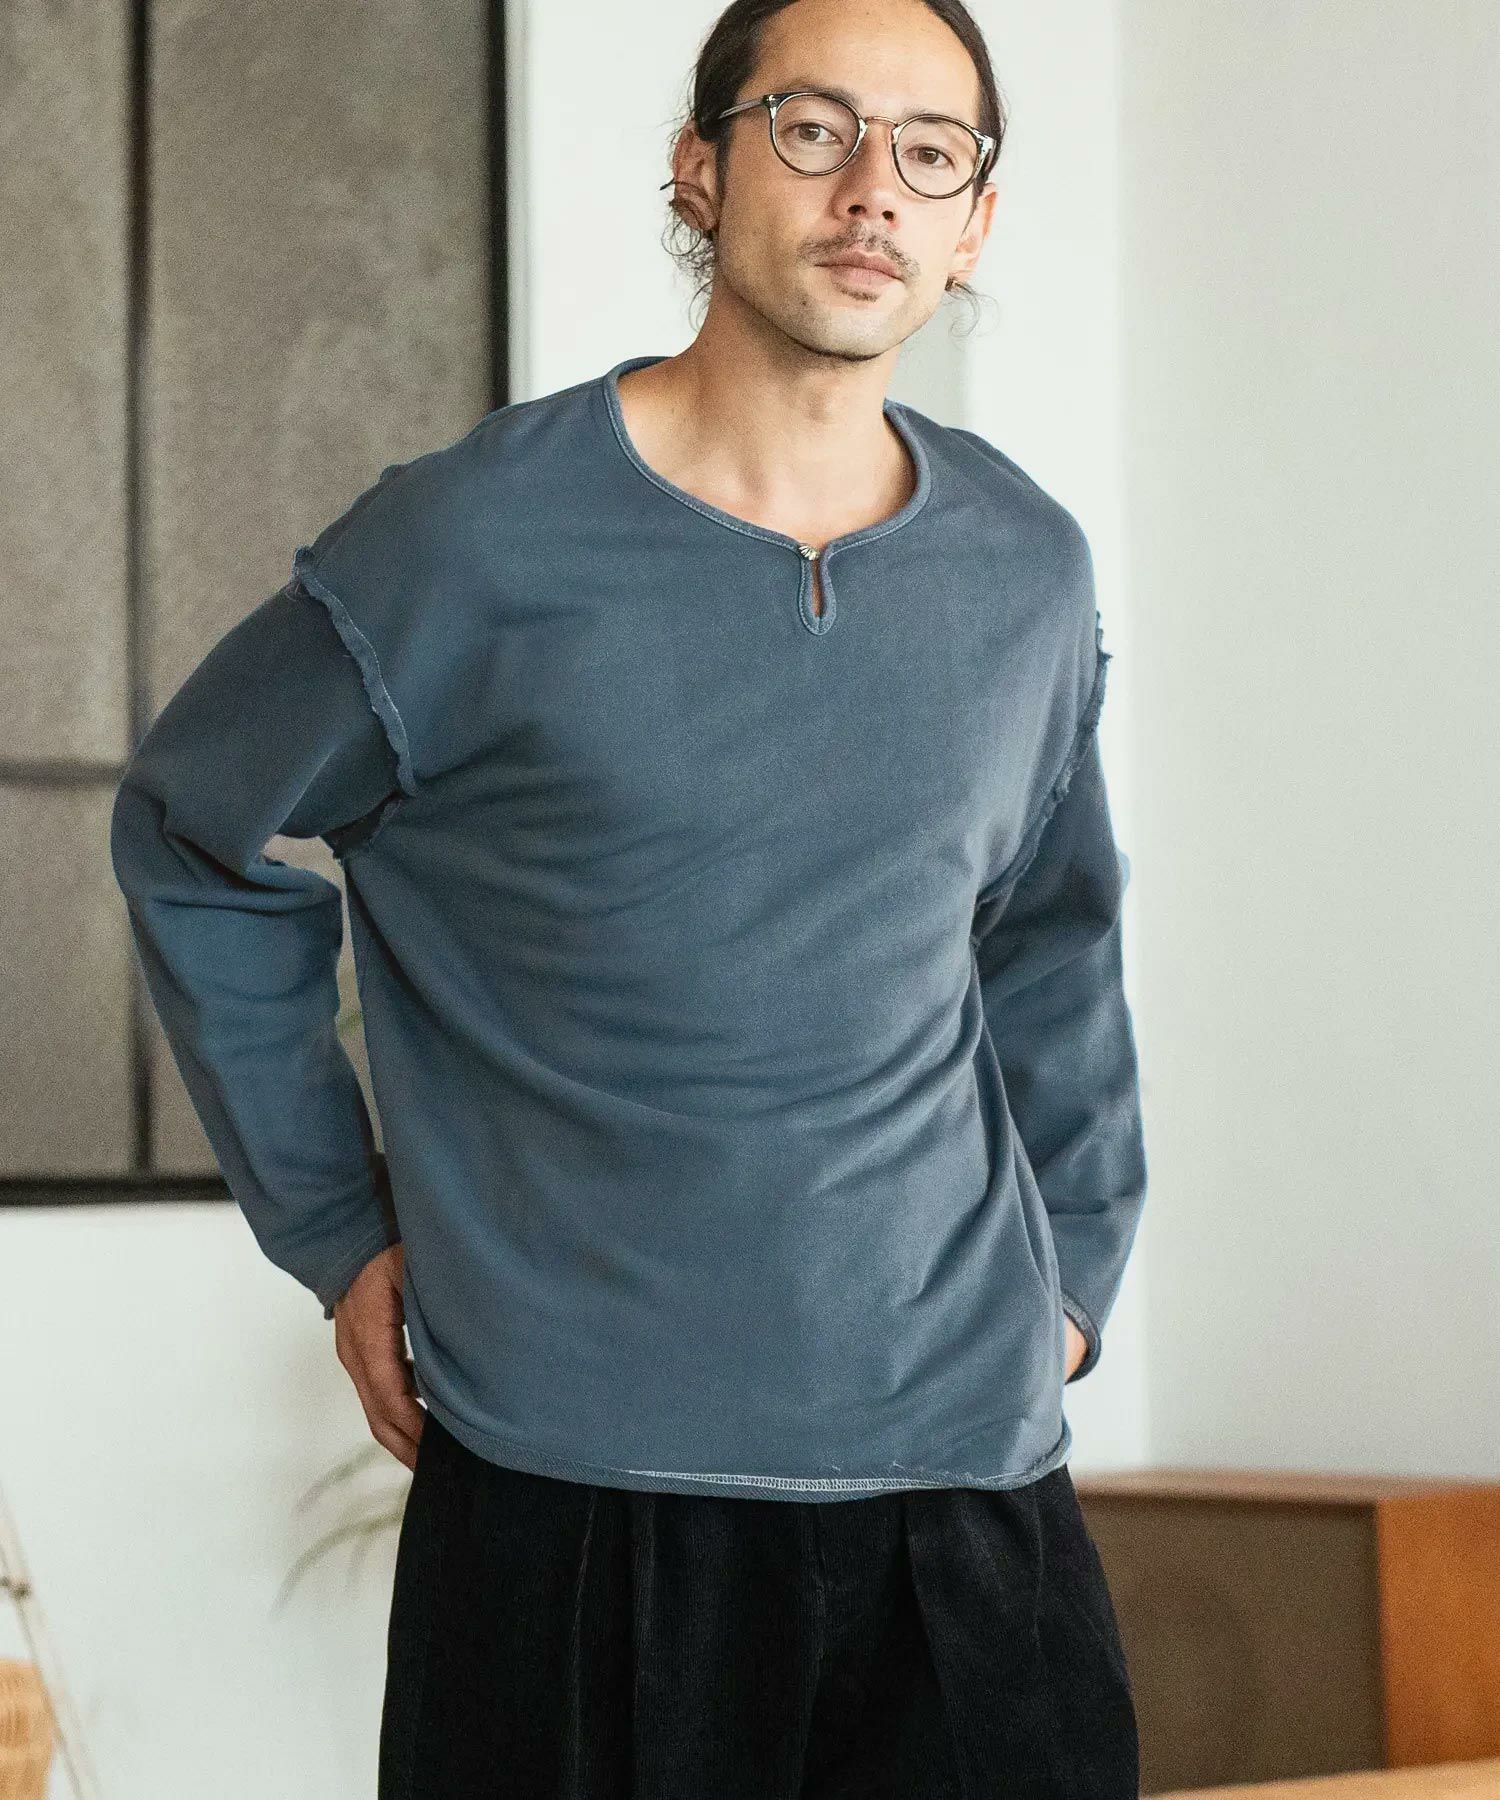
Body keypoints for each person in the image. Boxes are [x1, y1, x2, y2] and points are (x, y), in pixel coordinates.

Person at [109, 0, 1149, 1792]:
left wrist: (1072, 1270)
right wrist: (339, 1231)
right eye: (812, 128)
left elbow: (1053, 937)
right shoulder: (466, 543)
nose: (871, 190)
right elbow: (194, 835)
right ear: (700, 169)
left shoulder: (1027, 570)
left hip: (973, 1501)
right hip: (575, 1497)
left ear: (974, 221)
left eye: (930, 154)